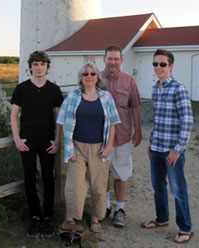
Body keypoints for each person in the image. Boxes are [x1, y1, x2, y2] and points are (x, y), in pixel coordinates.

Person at [56, 62, 120, 233]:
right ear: (81, 78)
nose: (89, 77)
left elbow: (114, 123)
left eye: (92, 74)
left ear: (97, 77)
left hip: (99, 147)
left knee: (98, 185)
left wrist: (108, 147)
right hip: (77, 146)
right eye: (85, 74)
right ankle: (71, 217)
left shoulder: (106, 97)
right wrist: (68, 147)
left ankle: (95, 218)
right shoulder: (73, 96)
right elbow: (62, 121)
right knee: (75, 184)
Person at [141, 49, 193, 243]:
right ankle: (162, 218)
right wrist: (150, 142)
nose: (158, 68)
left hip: (172, 151)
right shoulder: (155, 88)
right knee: (158, 186)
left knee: (178, 189)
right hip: (156, 147)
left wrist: (177, 150)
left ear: (171, 66)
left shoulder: (179, 88)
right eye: (155, 64)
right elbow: (158, 120)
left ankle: (185, 228)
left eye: (162, 64)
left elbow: (187, 121)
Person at [10, 50, 64, 238]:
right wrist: (17, 139)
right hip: (27, 142)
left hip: (48, 141)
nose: (39, 67)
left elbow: (58, 117)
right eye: (35, 64)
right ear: (30, 67)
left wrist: (57, 140)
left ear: (47, 67)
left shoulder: (54, 90)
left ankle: (48, 217)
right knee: (30, 179)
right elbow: (14, 115)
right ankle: (35, 217)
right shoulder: (22, 88)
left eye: (42, 64)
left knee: (49, 179)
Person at [100, 45, 142, 227]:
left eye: (116, 59)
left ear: (121, 61)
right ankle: (106, 207)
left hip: (122, 137)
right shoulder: (95, 79)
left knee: (121, 174)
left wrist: (138, 130)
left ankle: (120, 210)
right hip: (99, 138)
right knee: (103, 175)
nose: (113, 62)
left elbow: (135, 106)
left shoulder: (130, 81)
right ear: (104, 59)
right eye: (110, 58)